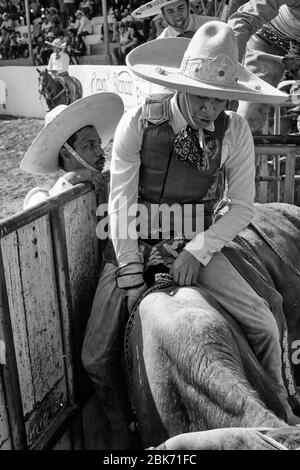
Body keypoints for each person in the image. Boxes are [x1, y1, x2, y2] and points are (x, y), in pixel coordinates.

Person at [81, 20, 295, 452]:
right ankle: (121, 442)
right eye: (201, 97)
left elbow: (242, 207)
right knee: (95, 357)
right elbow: (121, 206)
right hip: (132, 241)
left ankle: (279, 420)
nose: (209, 110)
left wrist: (198, 251)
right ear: (182, 85)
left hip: (195, 240)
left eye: (220, 100)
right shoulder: (139, 123)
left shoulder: (235, 131)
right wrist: (130, 273)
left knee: (264, 322)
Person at [20, 93, 124, 208]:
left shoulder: (110, 182)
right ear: (66, 155)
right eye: (90, 145)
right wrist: (70, 179)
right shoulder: (39, 197)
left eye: (99, 144)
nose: (101, 152)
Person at [228, 0, 300, 134]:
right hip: (269, 41)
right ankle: (242, 147)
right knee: (250, 117)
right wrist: (230, 66)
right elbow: (244, 19)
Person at [132, 0, 219, 38]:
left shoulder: (215, 25)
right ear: (163, 15)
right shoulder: (162, 42)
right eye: (170, 11)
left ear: (188, 7)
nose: (177, 16)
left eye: (181, 8)